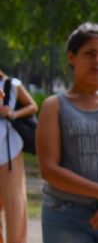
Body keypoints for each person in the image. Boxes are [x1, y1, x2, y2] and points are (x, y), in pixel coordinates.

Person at [36, 22, 98, 243]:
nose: (97, 61)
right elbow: (49, 170)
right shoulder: (55, 105)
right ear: (72, 57)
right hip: (64, 214)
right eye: (89, 53)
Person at [0, 70, 37, 243]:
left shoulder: (11, 84)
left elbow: (32, 106)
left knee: (15, 205)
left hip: (9, 152)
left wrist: (12, 113)